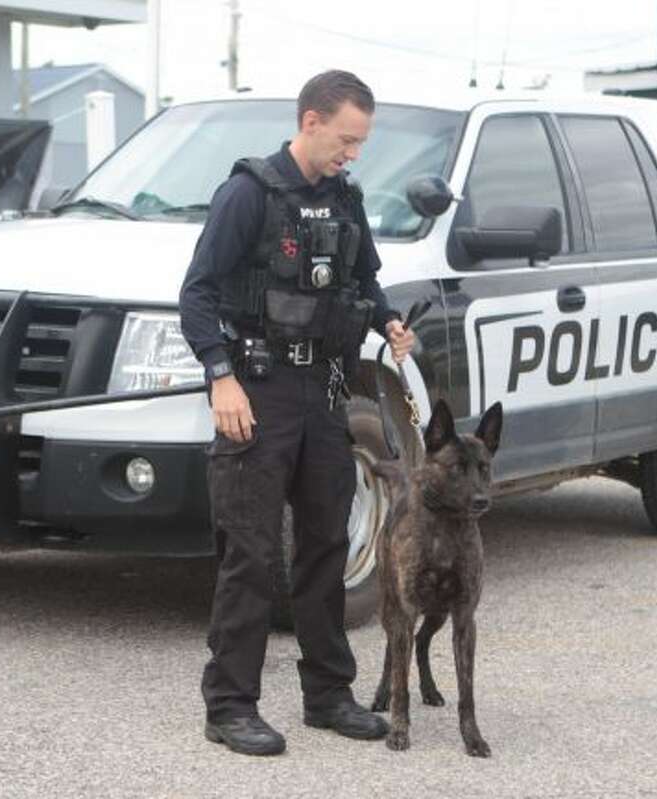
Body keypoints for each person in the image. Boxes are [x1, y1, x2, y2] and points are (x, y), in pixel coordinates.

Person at [178, 70, 416, 756]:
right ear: (311, 122)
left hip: (326, 392)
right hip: (257, 391)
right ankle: (229, 705)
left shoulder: (345, 199)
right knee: (250, 553)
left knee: (325, 546)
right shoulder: (248, 194)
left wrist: (390, 320)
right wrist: (220, 378)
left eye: (361, 142)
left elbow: (363, 279)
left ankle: (328, 694)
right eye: (346, 139)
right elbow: (196, 293)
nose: (353, 154)